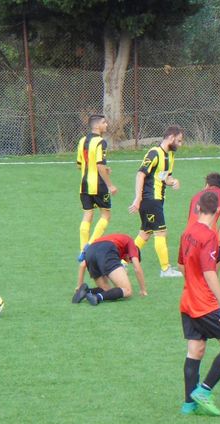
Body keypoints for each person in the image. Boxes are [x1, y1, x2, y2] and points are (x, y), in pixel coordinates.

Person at [178, 191, 220, 416]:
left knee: (195, 350)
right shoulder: (210, 236)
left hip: (187, 301)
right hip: (205, 304)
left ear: (197, 208)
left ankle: (188, 405)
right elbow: (209, 272)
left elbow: (182, 266)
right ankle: (204, 390)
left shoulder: (187, 232)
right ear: (217, 211)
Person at [128, 125, 184, 278]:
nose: (180, 144)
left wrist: (174, 181)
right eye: (179, 141)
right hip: (150, 199)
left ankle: (122, 261)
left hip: (157, 200)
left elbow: (165, 177)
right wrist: (138, 198)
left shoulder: (170, 155)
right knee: (161, 232)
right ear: (171, 138)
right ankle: (165, 269)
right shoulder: (154, 153)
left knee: (145, 233)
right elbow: (140, 174)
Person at [76, 114, 117, 260]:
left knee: (87, 215)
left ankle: (82, 249)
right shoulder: (101, 142)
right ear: (97, 126)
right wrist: (110, 185)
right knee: (106, 215)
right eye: (104, 123)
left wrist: (105, 169)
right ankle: (91, 244)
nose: (106, 125)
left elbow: (80, 165)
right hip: (98, 185)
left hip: (84, 185)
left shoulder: (82, 141)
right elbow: (99, 165)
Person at [73, 233, 147, 305]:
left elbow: (82, 265)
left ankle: (86, 291)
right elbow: (137, 268)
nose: (127, 261)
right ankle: (97, 297)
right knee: (127, 290)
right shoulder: (131, 243)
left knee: (107, 290)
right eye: (130, 260)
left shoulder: (117, 244)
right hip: (108, 250)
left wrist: (79, 285)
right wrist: (143, 290)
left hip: (90, 252)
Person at [187, 172, 220, 270]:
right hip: (208, 238)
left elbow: (190, 220)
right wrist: (218, 242)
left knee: (194, 274)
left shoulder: (195, 196)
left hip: (189, 239)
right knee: (212, 273)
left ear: (207, 184)